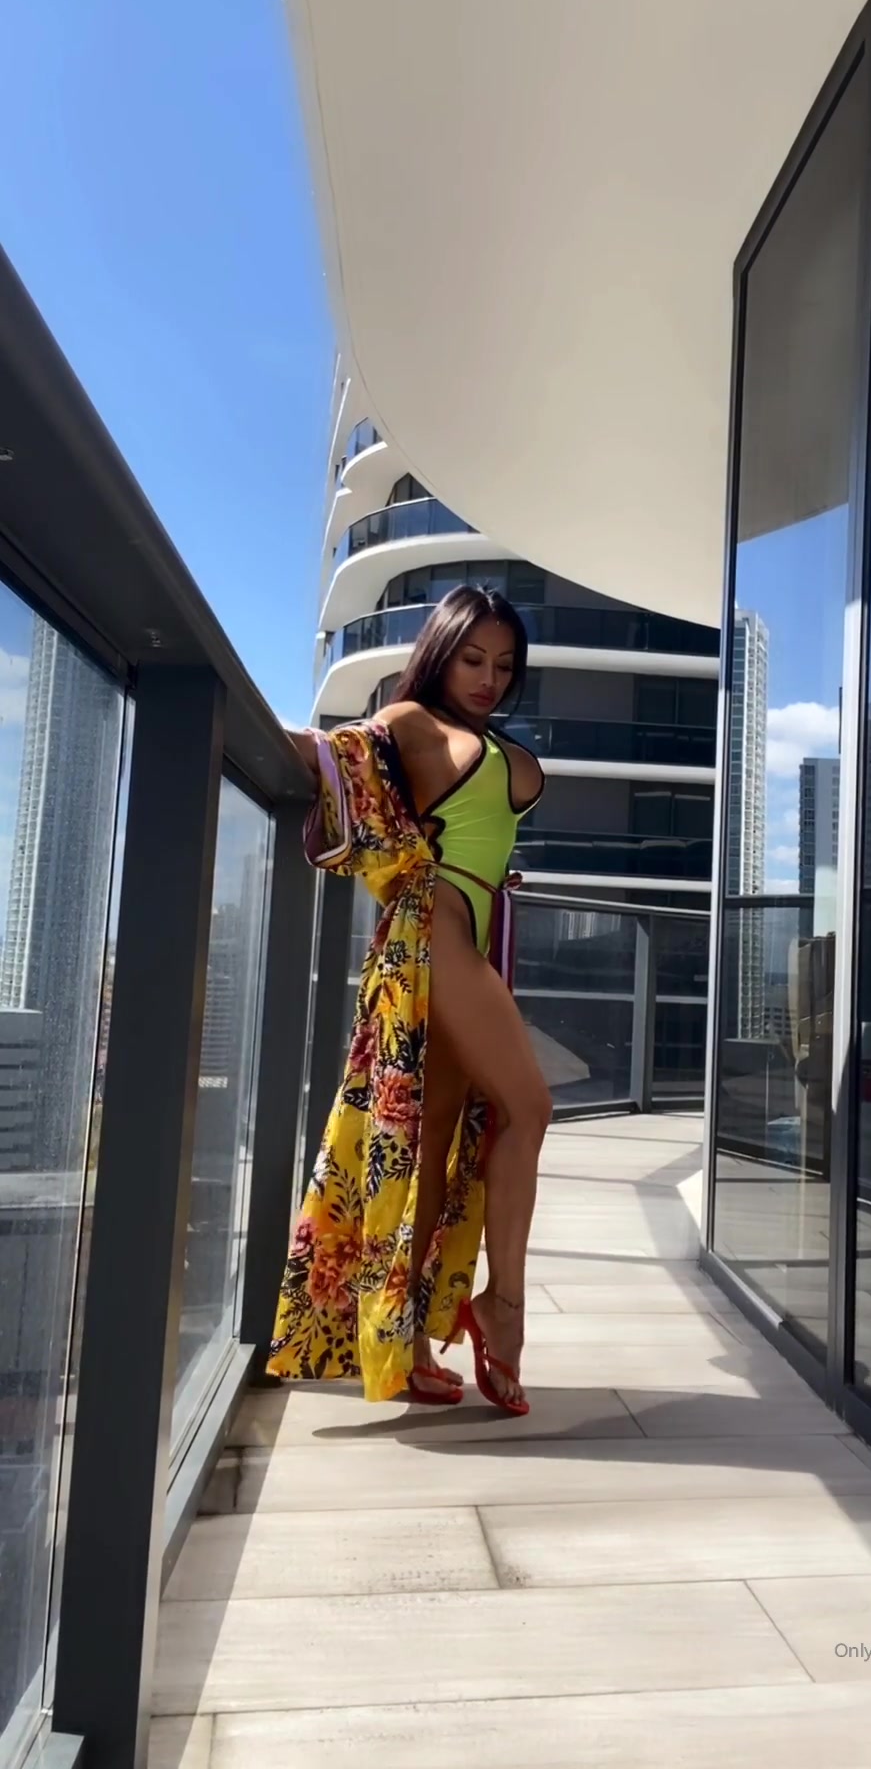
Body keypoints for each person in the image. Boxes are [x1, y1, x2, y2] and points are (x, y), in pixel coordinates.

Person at [268, 585, 550, 1415]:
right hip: (437, 937)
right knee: (528, 1109)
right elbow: (323, 752)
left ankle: (406, 1341)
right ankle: (503, 1310)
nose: (489, 679)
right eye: (473, 660)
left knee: (432, 1142)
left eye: (504, 666)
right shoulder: (411, 722)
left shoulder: (482, 740)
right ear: (440, 654)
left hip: (474, 937)